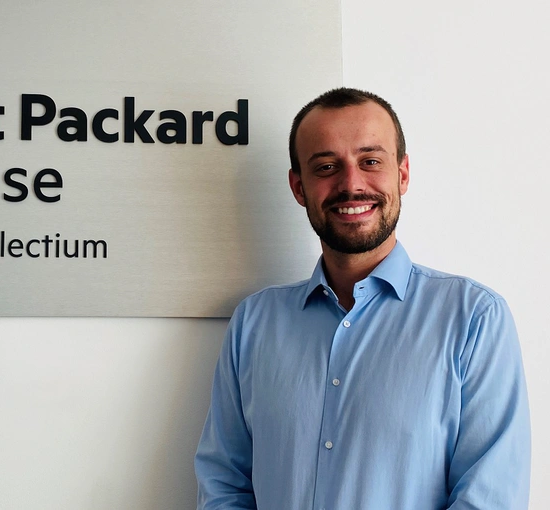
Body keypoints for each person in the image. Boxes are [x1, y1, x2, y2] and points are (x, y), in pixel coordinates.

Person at [194, 88, 531, 509]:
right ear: (299, 187)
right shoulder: (255, 323)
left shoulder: (474, 319)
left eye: (370, 161)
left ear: (402, 175)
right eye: (327, 166)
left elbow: (490, 498)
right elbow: (224, 484)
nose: (351, 185)